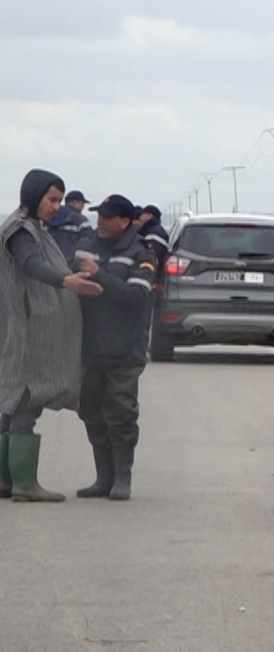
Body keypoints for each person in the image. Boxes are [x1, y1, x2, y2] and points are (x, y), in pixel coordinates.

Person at [0, 170, 102, 502]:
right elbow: (30, 264)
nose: (57, 207)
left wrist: (75, 271)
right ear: (33, 195)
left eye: (59, 200)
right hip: (27, 331)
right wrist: (66, 282)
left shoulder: (35, 229)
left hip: (28, 329)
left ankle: (6, 480)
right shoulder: (20, 232)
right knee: (24, 400)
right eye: (52, 199)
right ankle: (25, 485)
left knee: (11, 404)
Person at [72, 195, 159, 500]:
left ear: (124, 222)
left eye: (107, 217)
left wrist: (100, 276)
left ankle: (123, 477)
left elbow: (136, 299)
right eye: (99, 216)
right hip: (88, 347)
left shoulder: (142, 253)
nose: (100, 222)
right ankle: (103, 478)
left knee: (120, 414)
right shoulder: (86, 245)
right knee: (90, 411)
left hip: (124, 350)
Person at [48, 188, 89, 263]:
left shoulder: (50, 217)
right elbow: (90, 242)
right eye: (83, 204)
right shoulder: (80, 220)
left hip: (52, 262)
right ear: (76, 203)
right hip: (72, 265)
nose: (83, 207)